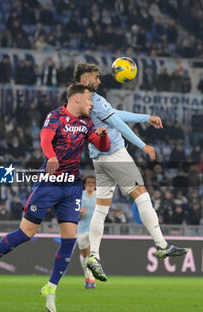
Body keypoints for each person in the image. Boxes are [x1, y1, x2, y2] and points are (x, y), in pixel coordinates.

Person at [0, 83, 110, 312]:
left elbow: (103, 146)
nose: (93, 103)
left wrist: (103, 136)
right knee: (27, 233)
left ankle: (50, 288)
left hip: (71, 187)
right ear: (77, 99)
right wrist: (50, 156)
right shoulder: (56, 117)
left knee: (69, 241)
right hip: (49, 182)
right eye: (90, 99)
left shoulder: (87, 123)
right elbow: (45, 139)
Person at [74, 62, 188, 282]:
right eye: (96, 77)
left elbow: (116, 113)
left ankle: (94, 256)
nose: (100, 81)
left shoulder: (82, 101)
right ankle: (161, 245)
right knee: (141, 194)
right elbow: (117, 121)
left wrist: (146, 118)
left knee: (101, 208)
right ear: (85, 79)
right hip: (115, 153)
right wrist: (142, 144)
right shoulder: (93, 100)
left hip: (98, 156)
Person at [77, 176, 96, 289]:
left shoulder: (98, 196)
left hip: (94, 229)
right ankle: (86, 274)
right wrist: (78, 212)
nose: (90, 184)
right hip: (82, 228)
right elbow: (73, 210)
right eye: (88, 182)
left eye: (92, 182)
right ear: (84, 184)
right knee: (84, 254)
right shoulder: (80, 196)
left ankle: (92, 278)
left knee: (93, 253)